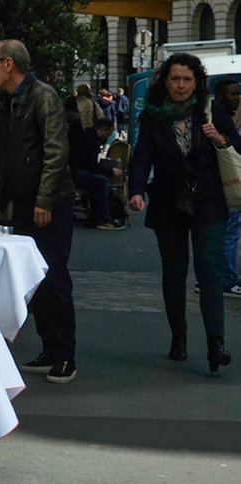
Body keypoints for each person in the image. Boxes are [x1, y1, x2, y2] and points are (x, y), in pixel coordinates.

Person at [128, 53, 231, 373]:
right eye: (175, 79)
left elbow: (236, 146)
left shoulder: (212, 111)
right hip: (169, 201)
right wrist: (135, 190)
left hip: (208, 201)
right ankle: (179, 336)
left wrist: (220, 138)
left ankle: (216, 343)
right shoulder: (153, 116)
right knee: (174, 272)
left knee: (210, 270)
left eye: (187, 79)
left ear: (197, 82)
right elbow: (142, 156)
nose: (181, 85)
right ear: (166, 81)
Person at [0, 39, 78, 383]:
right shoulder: (12, 101)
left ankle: (65, 356)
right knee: (35, 280)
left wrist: (44, 199)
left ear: (8, 64)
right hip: (27, 200)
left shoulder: (43, 97)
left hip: (48, 202)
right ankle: (50, 349)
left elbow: (56, 152)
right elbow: (12, 159)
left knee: (54, 277)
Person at [210, 79, 241, 298]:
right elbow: (235, 146)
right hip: (225, 182)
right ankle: (226, 279)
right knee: (230, 231)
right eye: (233, 94)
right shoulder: (221, 117)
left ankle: (215, 277)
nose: (237, 98)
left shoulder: (215, 114)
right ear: (220, 95)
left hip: (217, 182)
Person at [69, 117, 125, 230]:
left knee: (98, 181)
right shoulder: (92, 140)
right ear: (103, 130)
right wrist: (110, 172)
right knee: (100, 182)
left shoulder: (87, 136)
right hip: (75, 174)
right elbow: (92, 167)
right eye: (108, 133)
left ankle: (97, 216)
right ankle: (103, 219)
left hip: (73, 171)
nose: (108, 136)